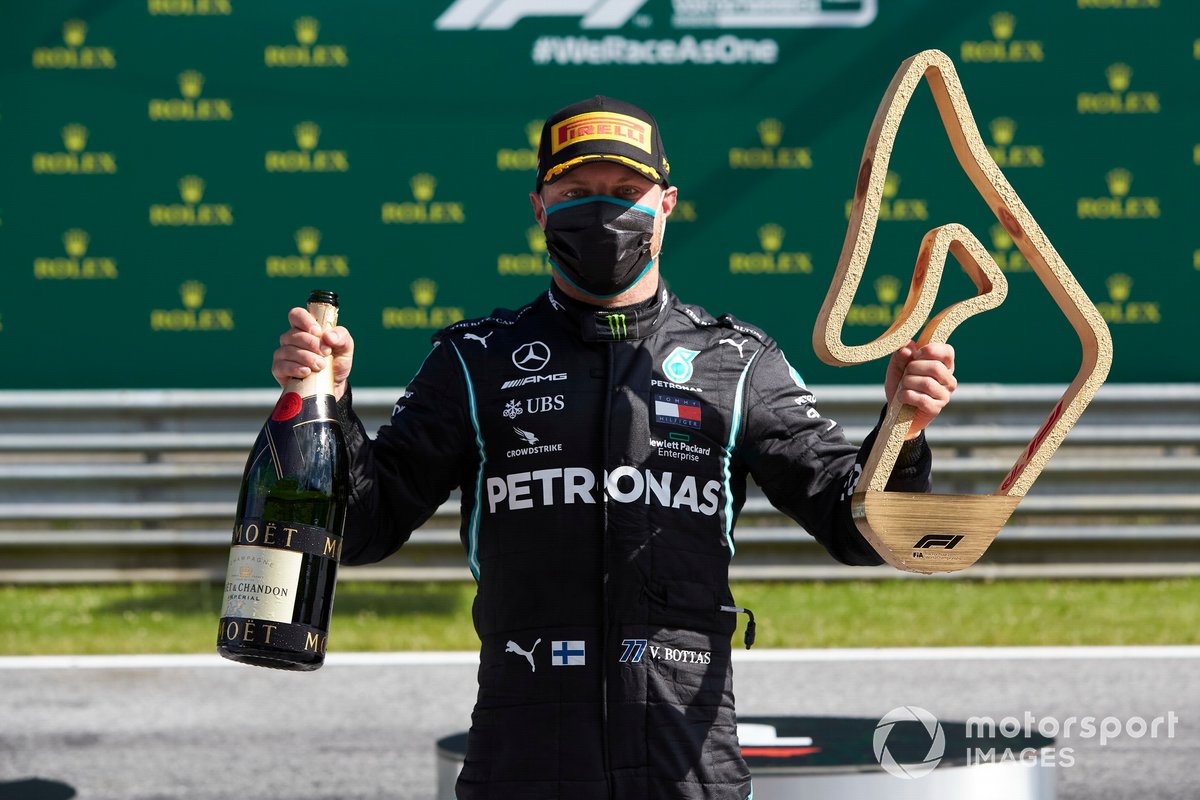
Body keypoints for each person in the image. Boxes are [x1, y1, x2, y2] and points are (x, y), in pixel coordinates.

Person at [272, 96, 956, 800]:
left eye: (627, 194)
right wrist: (327, 404)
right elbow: (360, 529)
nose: (603, 214)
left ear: (668, 203)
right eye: (576, 195)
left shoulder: (737, 360)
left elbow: (858, 529)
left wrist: (904, 428)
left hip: (687, 759)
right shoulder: (476, 359)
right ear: (540, 208)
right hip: (523, 753)